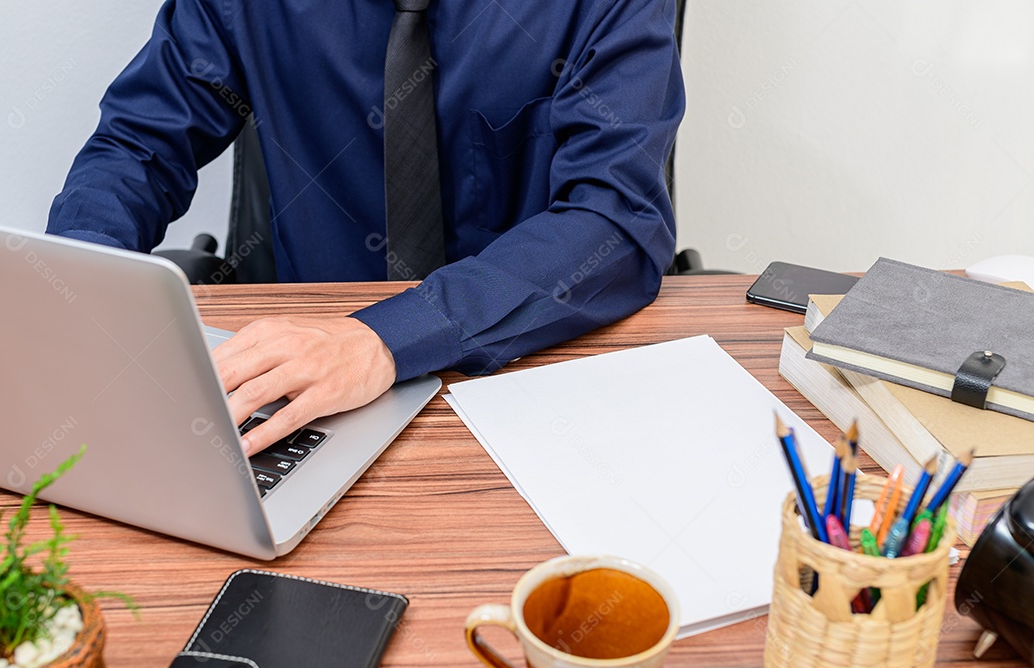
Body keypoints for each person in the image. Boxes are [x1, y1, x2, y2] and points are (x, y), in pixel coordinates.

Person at [47, 0, 685, 458]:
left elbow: (615, 218)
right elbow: (138, 145)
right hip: (301, 389)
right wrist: (89, 282)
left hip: (521, 378)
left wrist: (384, 339)